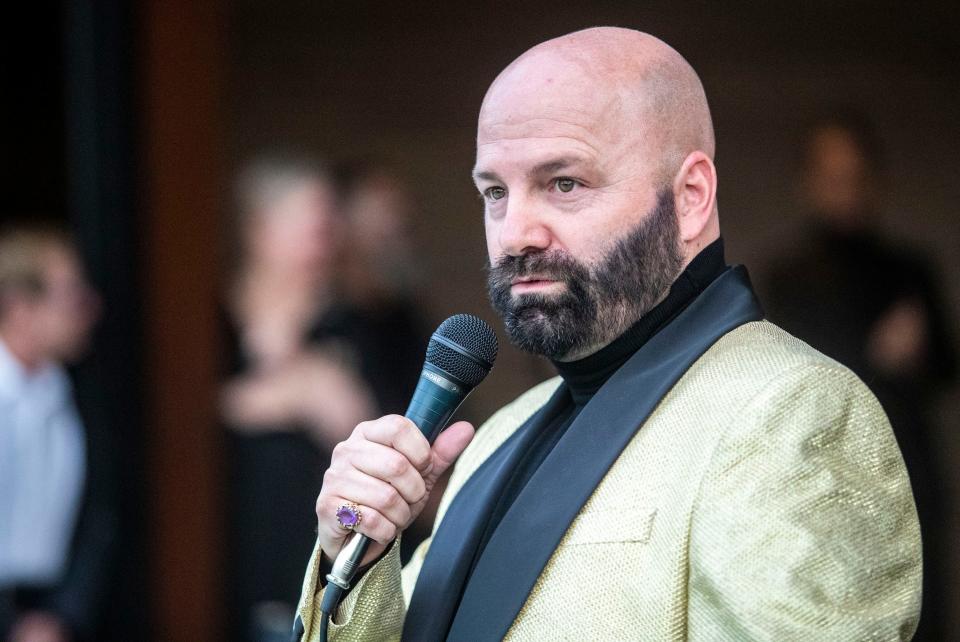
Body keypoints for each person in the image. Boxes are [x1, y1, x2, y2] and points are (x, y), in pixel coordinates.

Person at [292, 28, 922, 641]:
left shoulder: (790, 412)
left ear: (691, 196)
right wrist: (356, 546)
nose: (514, 233)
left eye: (563, 183)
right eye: (494, 192)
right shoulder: (500, 431)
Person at [764, 112, 957, 640]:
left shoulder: (910, 269)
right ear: (809, 183)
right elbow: (795, 379)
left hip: (909, 472)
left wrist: (918, 350)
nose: (844, 190)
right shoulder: (787, 276)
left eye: (854, 176)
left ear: (874, 180)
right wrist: (876, 355)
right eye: (832, 177)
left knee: (920, 618)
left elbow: (946, 367)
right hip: (827, 480)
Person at [221, 156, 421, 642]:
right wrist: (268, 397)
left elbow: (403, 450)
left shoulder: (363, 326)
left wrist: (341, 406)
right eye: (307, 222)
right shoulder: (211, 322)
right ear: (258, 229)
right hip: (221, 575)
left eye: (329, 224)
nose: (323, 239)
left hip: (323, 583)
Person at [0, 226, 112, 642]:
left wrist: (62, 615)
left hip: (53, 608)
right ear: (20, 307)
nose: (88, 309)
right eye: (70, 296)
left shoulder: (76, 393)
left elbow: (99, 517)